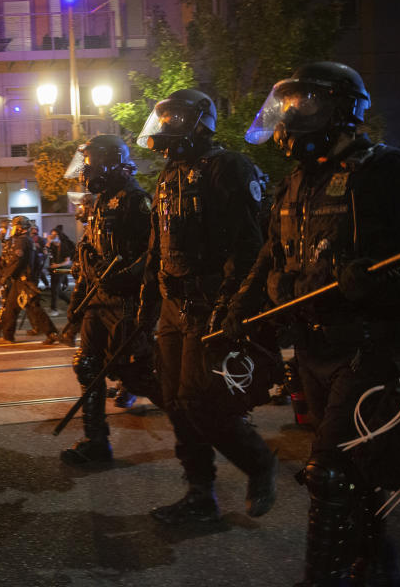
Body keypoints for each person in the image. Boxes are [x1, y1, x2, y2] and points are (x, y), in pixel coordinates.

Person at [222, 62, 400, 586]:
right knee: (357, 469)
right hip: (311, 349)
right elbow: (269, 256)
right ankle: (375, 561)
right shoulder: (295, 182)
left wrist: (390, 279)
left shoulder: (392, 171)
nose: (290, 118)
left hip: (370, 344)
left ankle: (322, 577)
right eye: (288, 106)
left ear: (343, 108)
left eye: (306, 104)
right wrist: (239, 308)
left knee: (328, 471)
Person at [135, 88, 278, 524]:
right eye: (161, 119)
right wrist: (147, 304)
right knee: (175, 402)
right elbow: (157, 247)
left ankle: (258, 462)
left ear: (196, 121)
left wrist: (232, 304)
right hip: (173, 306)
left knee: (201, 402)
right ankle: (200, 494)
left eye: (172, 118)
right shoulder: (167, 176)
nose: (163, 127)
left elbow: (248, 245)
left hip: (209, 304)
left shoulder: (228, 167)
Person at [58, 135, 162, 465]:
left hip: (126, 303)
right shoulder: (101, 202)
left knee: (137, 378)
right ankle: (97, 444)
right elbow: (89, 257)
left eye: (90, 162)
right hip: (98, 302)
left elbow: (155, 255)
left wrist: (128, 276)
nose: (86, 170)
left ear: (109, 162)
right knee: (86, 365)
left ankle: (208, 421)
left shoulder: (136, 200)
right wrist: (75, 310)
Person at [0, 216, 59, 344]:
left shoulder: (22, 241)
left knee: (32, 308)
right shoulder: (24, 240)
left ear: (20, 228)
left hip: (24, 281)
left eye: (14, 227)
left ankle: (51, 333)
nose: (12, 229)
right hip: (21, 280)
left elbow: (17, 262)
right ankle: (8, 335)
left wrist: (6, 275)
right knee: (13, 308)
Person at [46, 225, 74, 316]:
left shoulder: (64, 246)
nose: (53, 237)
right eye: (52, 235)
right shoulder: (52, 246)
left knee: (54, 289)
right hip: (54, 270)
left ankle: (53, 309)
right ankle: (71, 303)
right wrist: (48, 243)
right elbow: (45, 253)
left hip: (63, 270)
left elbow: (68, 261)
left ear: (59, 236)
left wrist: (57, 265)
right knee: (57, 290)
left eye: (55, 235)